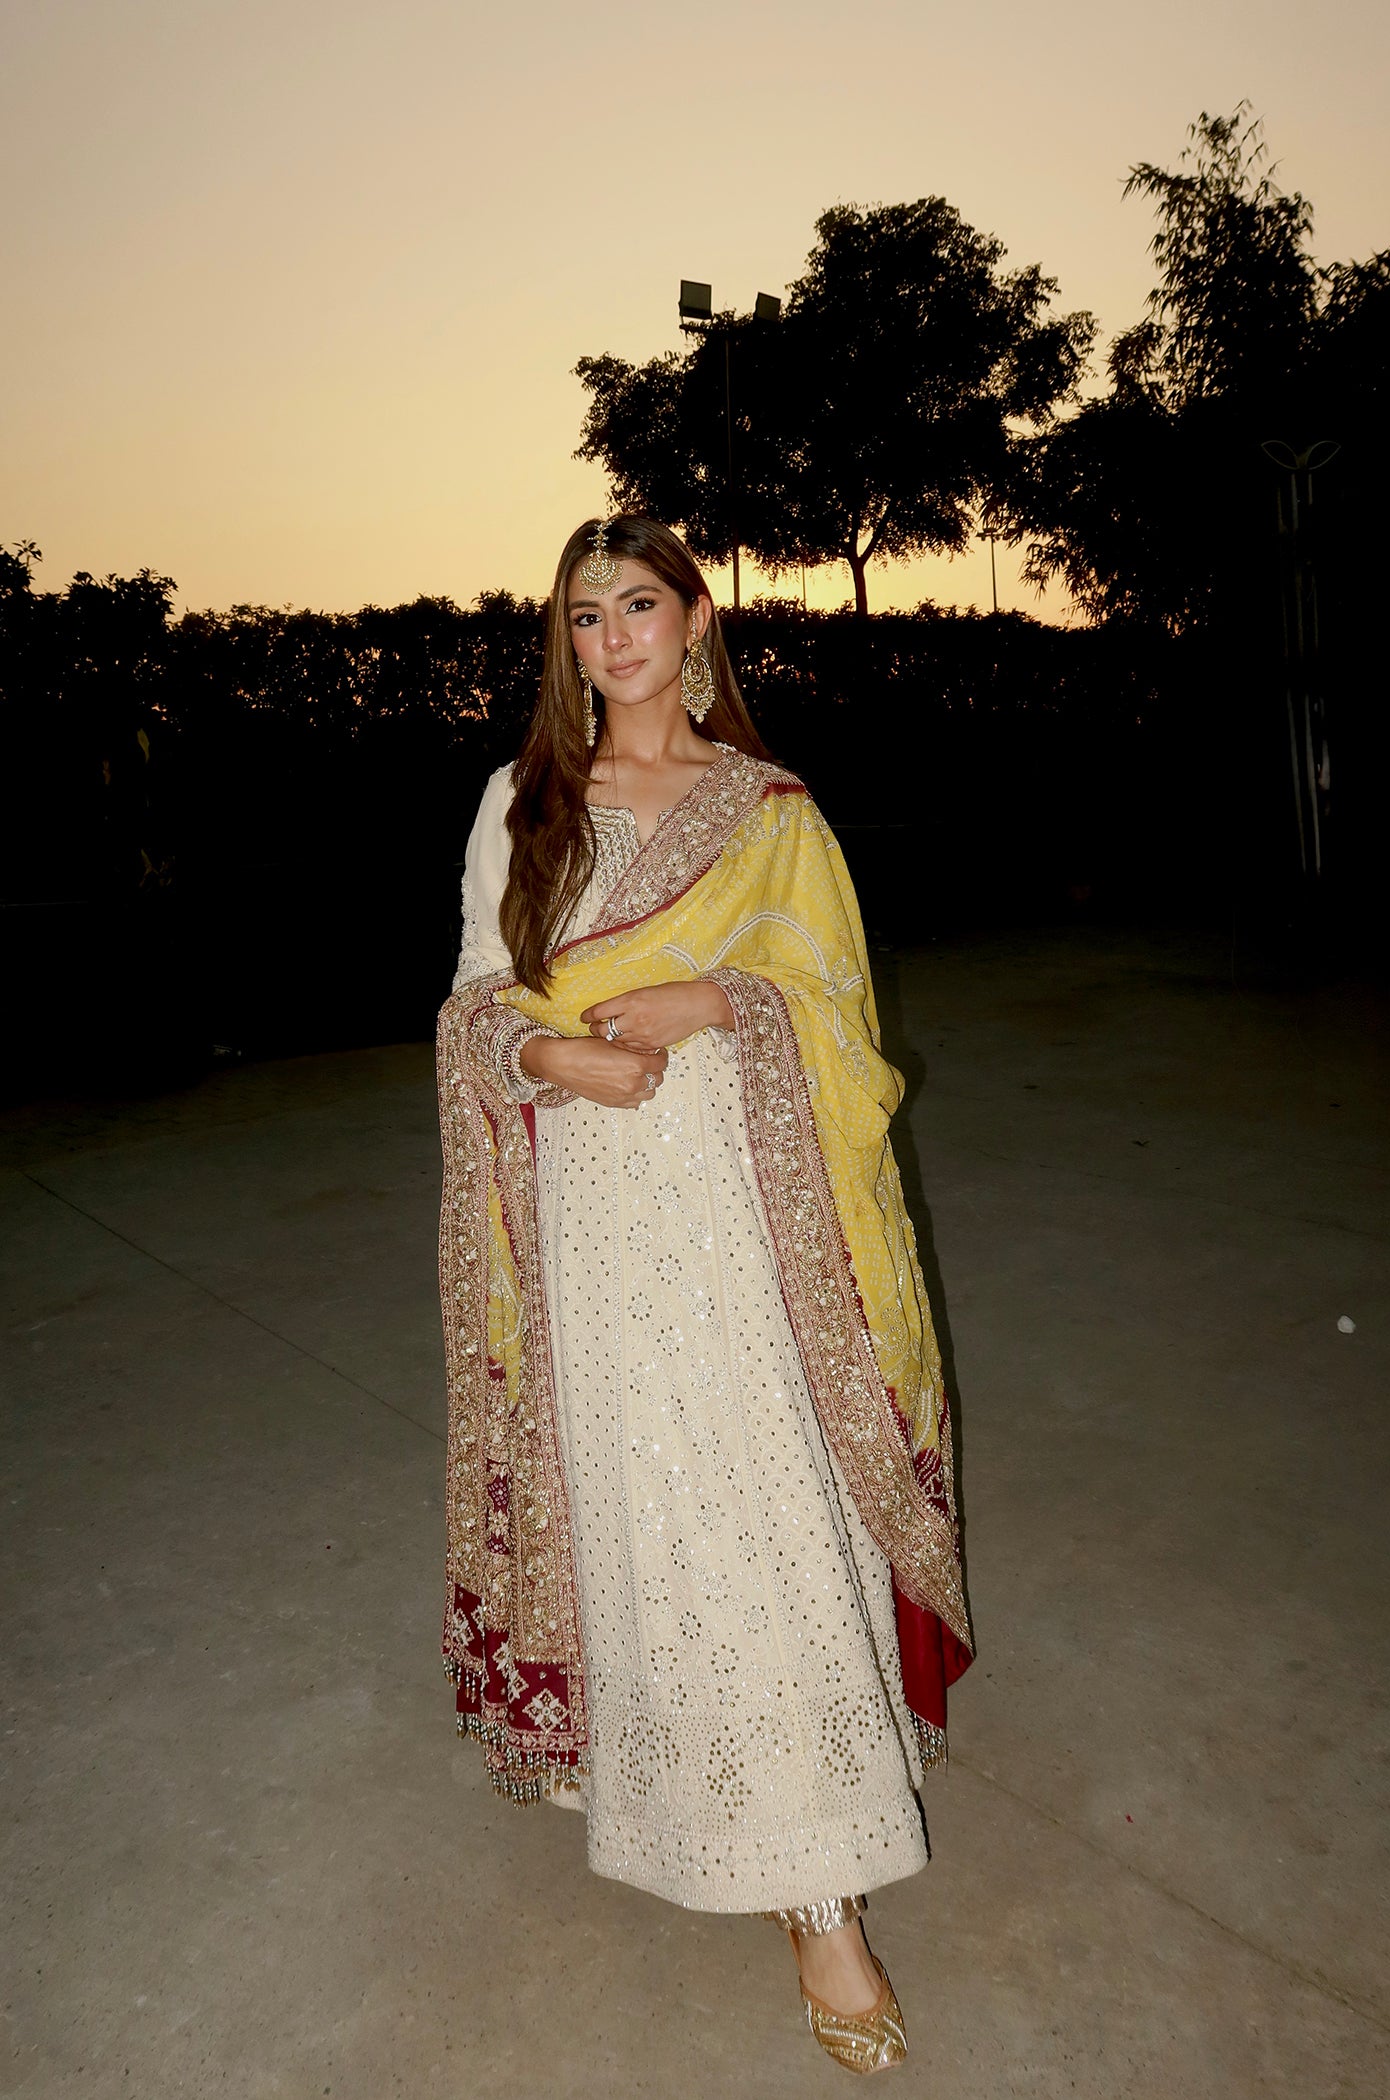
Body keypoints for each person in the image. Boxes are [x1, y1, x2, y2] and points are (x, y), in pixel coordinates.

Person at [438, 516, 971, 2076]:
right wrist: (549, 1050)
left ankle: (822, 1895)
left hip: (749, 1211)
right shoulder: (521, 802)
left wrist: (718, 998)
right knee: (652, 1516)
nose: (613, 638)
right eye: (583, 616)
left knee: (764, 1511)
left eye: (639, 605)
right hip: (592, 1215)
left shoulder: (768, 809)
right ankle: (689, 1797)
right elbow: (473, 999)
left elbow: (837, 1009)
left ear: (694, 621)